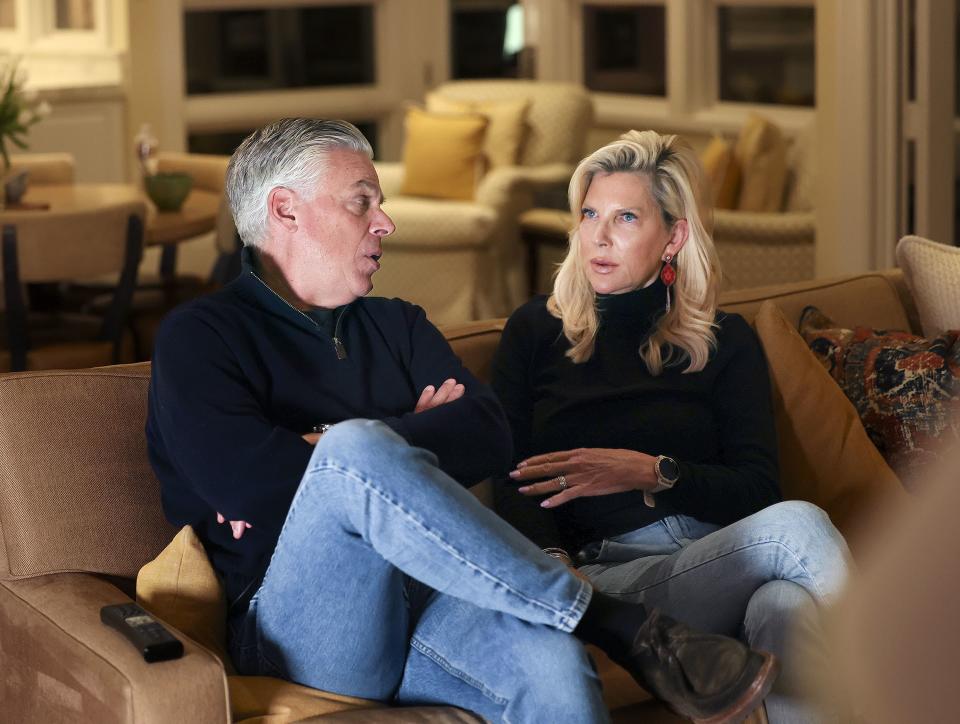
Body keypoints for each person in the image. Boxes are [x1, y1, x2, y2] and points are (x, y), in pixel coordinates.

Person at [147, 118, 777, 724]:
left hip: (434, 602)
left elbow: (487, 433)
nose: (385, 223)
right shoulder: (199, 338)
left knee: (551, 665)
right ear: (285, 210)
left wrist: (325, 452)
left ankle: (581, 629)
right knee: (354, 452)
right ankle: (614, 624)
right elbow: (244, 485)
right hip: (304, 630)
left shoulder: (399, 323)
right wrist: (374, 449)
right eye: (361, 202)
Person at [492, 129, 851, 723]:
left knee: (784, 604)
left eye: (626, 218)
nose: (598, 237)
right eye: (589, 215)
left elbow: (758, 489)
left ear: (673, 237)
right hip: (615, 574)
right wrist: (553, 559)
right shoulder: (535, 331)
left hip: (720, 553)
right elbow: (509, 478)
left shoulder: (723, 341)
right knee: (801, 528)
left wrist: (654, 472)